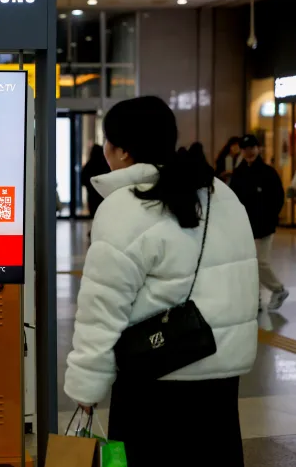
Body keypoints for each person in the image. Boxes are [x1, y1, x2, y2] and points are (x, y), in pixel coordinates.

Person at [65, 96, 258, 467]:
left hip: (153, 381)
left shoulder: (125, 207)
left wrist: (86, 386)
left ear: (121, 150)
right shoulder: (223, 195)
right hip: (221, 378)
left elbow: (103, 307)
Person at [230, 134, 289, 310]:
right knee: (249, 263)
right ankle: (254, 299)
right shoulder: (239, 173)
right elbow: (233, 198)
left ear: (258, 148)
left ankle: (278, 289)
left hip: (264, 227)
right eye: (245, 148)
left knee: (260, 262)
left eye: (252, 148)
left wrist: (271, 217)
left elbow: (278, 197)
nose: (249, 152)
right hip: (246, 227)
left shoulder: (268, 172)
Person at [80, 145, 110, 218]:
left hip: (92, 196)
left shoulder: (89, 165)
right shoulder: (105, 165)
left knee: (94, 216)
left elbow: (83, 179)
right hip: (103, 195)